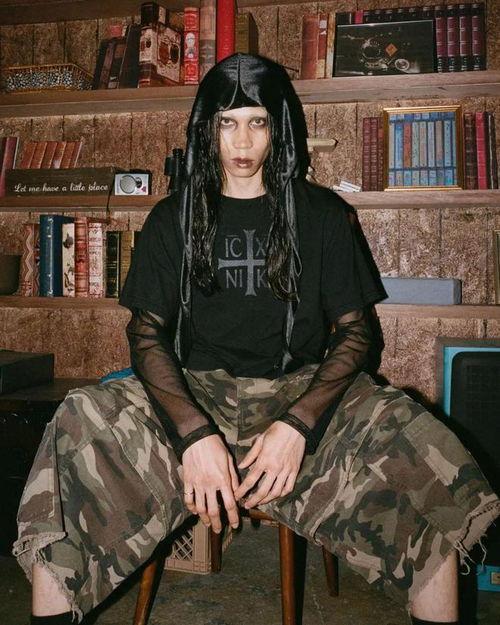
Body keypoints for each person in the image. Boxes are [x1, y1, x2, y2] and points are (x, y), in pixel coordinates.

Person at [14, 53, 499, 625]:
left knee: (419, 445)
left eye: (257, 122)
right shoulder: (172, 218)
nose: (242, 141)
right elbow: (146, 334)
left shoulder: (322, 215)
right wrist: (193, 434)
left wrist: (298, 425)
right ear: (206, 129)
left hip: (300, 391)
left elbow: (356, 335)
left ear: (278, 127)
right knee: (77, 422)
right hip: (194, 391)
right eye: (227, 123)